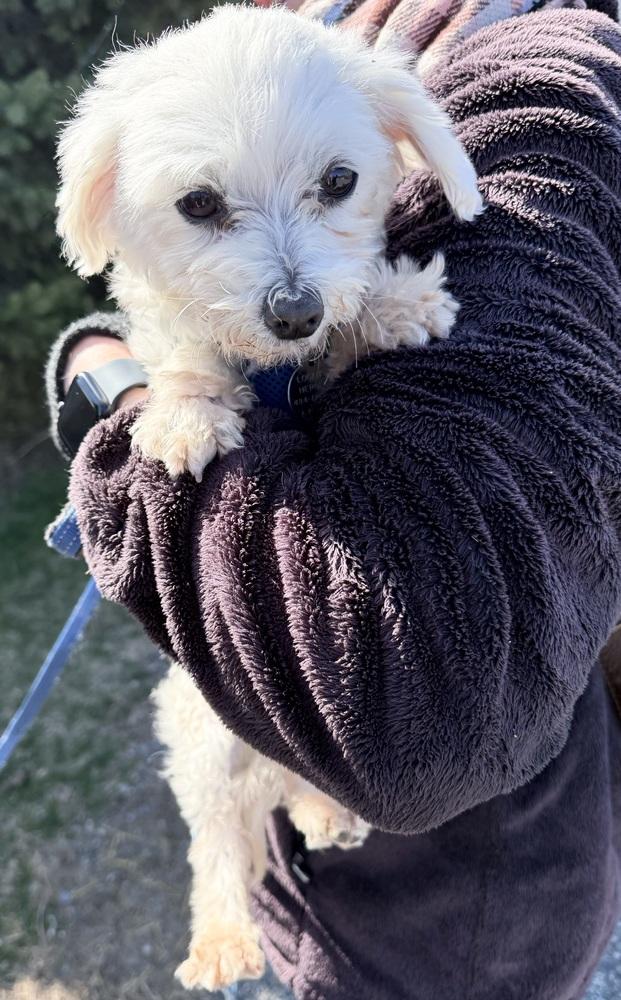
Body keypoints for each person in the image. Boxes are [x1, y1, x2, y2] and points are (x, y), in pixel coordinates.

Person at [46, 1, 621, 998]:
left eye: (336, 189)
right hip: (342, 888)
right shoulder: (308, 62)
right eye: (203, 207)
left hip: (450, 935)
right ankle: (225, 893)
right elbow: (166, 326)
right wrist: (156, 380)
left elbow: (408, 707)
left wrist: (115, 383)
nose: (293, 288)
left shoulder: (536, 90)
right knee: (210, 753)